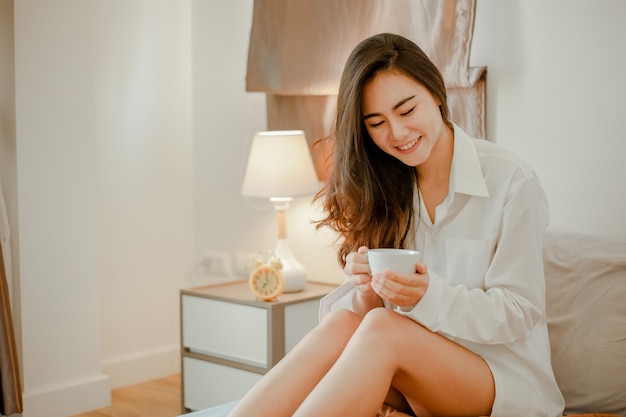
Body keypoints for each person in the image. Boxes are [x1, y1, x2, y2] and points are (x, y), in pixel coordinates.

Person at [228, 33, 564, 417]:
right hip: (414, 376)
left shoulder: (511, 181)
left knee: (384, 329)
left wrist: (427, 296)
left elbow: (520, 311)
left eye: (406, 110)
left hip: (499, 381)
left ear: (436, 94)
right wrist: (366, 290)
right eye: (377, 123)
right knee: (344, 323)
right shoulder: (387, 187)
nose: (397, 133)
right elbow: (372, 317)